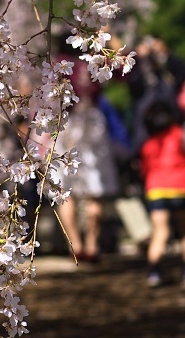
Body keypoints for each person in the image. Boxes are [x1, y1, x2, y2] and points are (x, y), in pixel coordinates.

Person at [54, 51, 120, 263]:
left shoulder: (55, 62)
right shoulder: (95, 60)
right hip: (89, 125)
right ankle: (91, 245)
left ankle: (76, 245)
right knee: (93, 190)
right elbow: (120, 71)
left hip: (68, 124)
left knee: (66, 192)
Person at [140, 98, 185, 287]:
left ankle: (155, 271)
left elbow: (144, 169)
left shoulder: (148, 144)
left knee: (160, 232)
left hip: (156, 190)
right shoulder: (180, 135)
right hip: (181, 188)